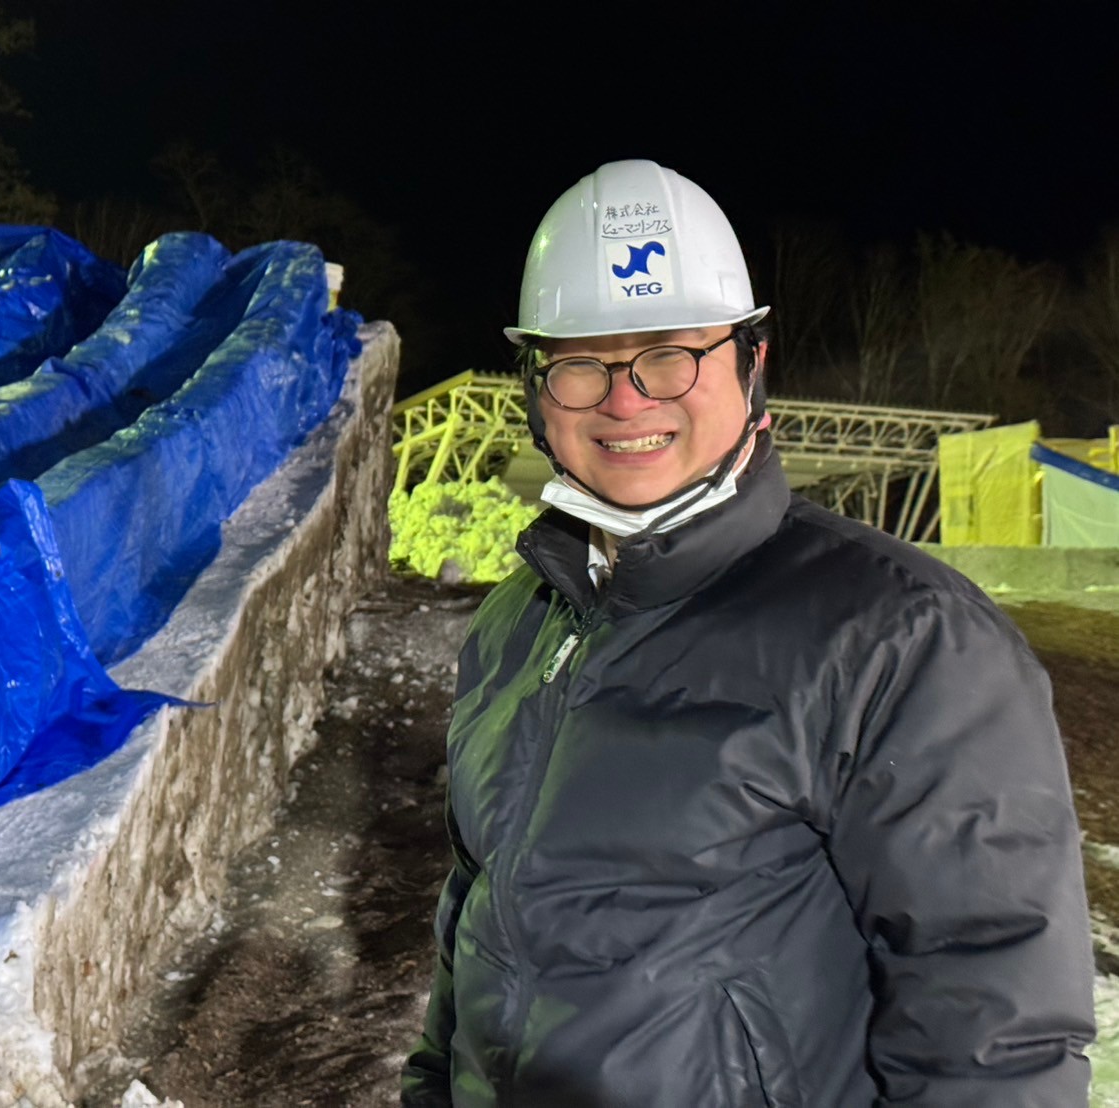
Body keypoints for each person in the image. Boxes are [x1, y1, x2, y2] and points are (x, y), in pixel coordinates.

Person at [401, 159, 1095, 1106]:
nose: (625, 398)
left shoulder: (901, 638)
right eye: (579, 364)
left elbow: (993, 1034)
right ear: (534, 385)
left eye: (669, 353)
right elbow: (474, 917)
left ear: (750, 362)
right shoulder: (517, 619)